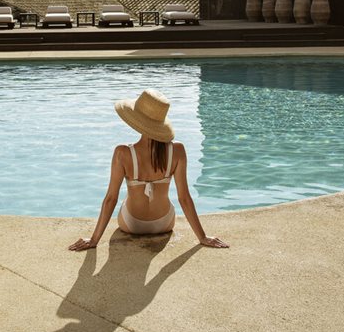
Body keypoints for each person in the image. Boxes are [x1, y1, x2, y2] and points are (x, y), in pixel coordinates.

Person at [69, 89, 228, 251]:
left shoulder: (122, 153)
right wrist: (202, 237)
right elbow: (184, 198)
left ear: (138, 121)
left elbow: (111, 199)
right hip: (164, 222)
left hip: (132, 224)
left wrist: (94, 240)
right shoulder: (178, 151)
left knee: (127, 196)